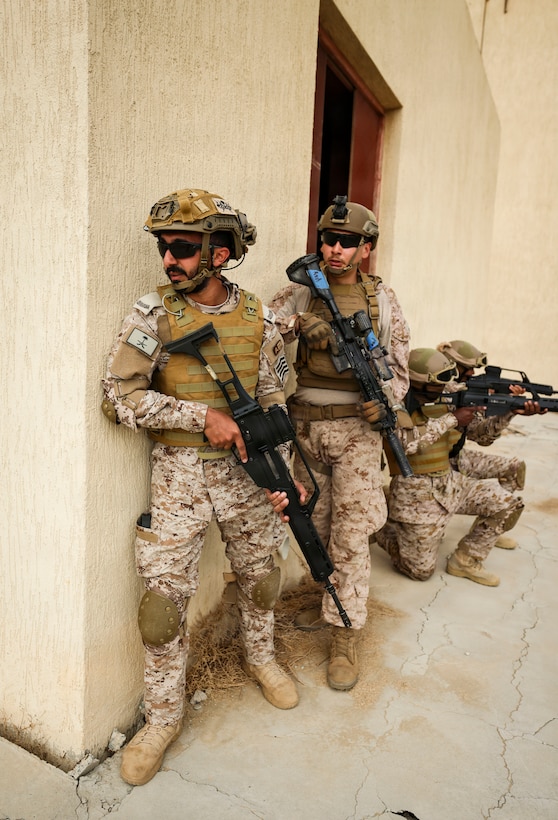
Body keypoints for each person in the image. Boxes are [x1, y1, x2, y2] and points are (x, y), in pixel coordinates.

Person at [101, 188, 298, 787]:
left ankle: (260, 658)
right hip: (179, 479)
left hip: (247, 475)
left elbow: (273, 401)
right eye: (164, 247)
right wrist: (198, 417)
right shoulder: (151, 315)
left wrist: (282, 479)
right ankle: (162, 717)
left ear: (221, 251)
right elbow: (117, 396)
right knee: (162, 611)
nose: (169, 259)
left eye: (183, 247)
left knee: (262, 577)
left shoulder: (260, 317)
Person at [269, 196, 410, 692]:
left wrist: (385, 402)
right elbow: (262, 335)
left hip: (356, 431)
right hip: (305, 428)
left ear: (365, 249)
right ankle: (327, 597)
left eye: (347, 242)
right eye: (328, 239)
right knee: (316, 523)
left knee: (351, 533)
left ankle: (346, 631)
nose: (334, 249)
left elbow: (399, 370)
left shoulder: (384, 301)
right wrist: (298, 327)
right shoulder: (301, 293)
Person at [375, 348, 525, 585]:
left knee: (508, 504)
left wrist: (508, 413)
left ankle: (465, 560)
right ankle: (381, 527)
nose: (445, 389)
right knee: (420, 572)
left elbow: (481, 435)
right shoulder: (392, 400)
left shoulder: (449, 395)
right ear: (419, 383)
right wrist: (453, 419)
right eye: (437, 385)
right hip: (415, 495)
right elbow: (406, 444)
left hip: (451, 482)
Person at [437, 339, 546, 548]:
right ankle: (465, 558)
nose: (471, 373)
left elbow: (482, 437)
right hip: (436, 466)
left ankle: (490, 527)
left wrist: (509, 409)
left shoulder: (468, 391)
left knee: (514, 468)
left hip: (456, 456)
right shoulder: (434, 391)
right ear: (450, 365)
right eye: (467, 368)